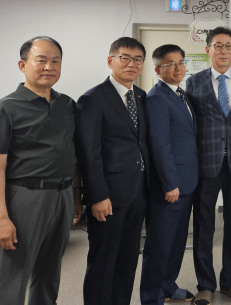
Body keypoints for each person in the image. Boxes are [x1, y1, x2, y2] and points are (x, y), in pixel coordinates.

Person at [0, 36, 82, 305]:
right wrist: (0, 219)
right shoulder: (6, 108)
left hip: (62, 196)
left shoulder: (67, 105)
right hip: (25, 198)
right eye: (41, 60)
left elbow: (70, 155)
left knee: (50, 274)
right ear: (22, 65)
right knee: (14, 276)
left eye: (56, 61)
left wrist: (75, 197)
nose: (49, 67)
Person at [76, 37, 151, 305]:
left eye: (138, 59)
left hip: (138, 192)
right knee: (103, 261)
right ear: (111, 61)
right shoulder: (92, 99)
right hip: (108, 195)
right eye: (125, 58)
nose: (132, 64)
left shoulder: (140, 96)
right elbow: (89, 153)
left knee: (128, 260)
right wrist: (97, 196)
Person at [186, 26, 231, 305]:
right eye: (218, 46)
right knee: (204, 226)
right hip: (206, 163)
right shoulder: (194, 82)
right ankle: (205, 284)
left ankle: (230, 281)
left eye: (228, 46)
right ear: (208, 50)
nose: (224, 51)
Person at [140, 44, 198, 304]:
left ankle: (167, 286)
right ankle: (151, 297)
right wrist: (169, 183)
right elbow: (160, 146)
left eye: (181, 62)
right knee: (160, 244)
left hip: (187, 182)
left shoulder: (180, 94)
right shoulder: (156, 98)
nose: (178, 68)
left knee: (176, 242)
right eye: (171, 64)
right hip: (170, 186)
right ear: (157, 70)